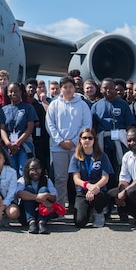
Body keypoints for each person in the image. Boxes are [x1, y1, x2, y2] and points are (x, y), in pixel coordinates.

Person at [45, 76, 92, 211]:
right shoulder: (54, 104)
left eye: (70, 87)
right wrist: (60, 141)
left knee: (79, 177)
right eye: (65, 87)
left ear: (74, 88)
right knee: (60, 178)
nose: (68, 89)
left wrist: (74, 141)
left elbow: (86, 124)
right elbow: (50, 124)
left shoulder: (82, 104)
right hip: (58, 147)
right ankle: (60, 208)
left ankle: (80, 207)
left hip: (77, 146)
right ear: (61, 89)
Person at [91, 78, 136, 217]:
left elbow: (129, 126)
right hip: (103, 144)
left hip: (120, 145)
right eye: (105, 88)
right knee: (105, 175)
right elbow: (93, 128)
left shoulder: (123, 105)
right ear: (101, 89)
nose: (108, 91)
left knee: (121, 175)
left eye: (111, 88)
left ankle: (122, 207)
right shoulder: (96, 106)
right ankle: (107, 206)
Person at [69, 128, 113, 228]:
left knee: (98, 196)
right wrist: (88, 186)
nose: (87, 140)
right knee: (79, 222)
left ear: (94, 140)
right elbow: (76, 179)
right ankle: (88, 211)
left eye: (90, 138)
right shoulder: (75, 158)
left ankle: (98, 212)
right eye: (84, 138)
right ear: (80, 139)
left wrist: (93, 189)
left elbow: (105, 178)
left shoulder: (102, 156)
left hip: (98, 191)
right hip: (82, 191)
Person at [10, 158, 57, 234]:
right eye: (32, 170)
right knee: (28, 189)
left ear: (42, 170)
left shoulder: (47, 180)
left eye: (38, 169)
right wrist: (38, 198)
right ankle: (31, 222)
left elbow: (54, 198)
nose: (35, 172)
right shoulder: (22, 180)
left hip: (42, 211)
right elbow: (19, 193)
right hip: (25, 214)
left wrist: (47, 196)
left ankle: (42, 223)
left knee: (44, 189)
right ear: (27, 170)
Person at [0, 82, 37, 173]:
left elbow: (30, 128)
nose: (13, 94)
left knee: (23, 171)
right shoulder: (3, 110)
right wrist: (8, 144)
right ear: (7, 93)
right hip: (9, 146)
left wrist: (17, 143)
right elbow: (2, 129)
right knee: (10, 171)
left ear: (21, 92)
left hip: (24, 144)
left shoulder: (29, 108)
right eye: (10, 91)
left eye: (16, 91)